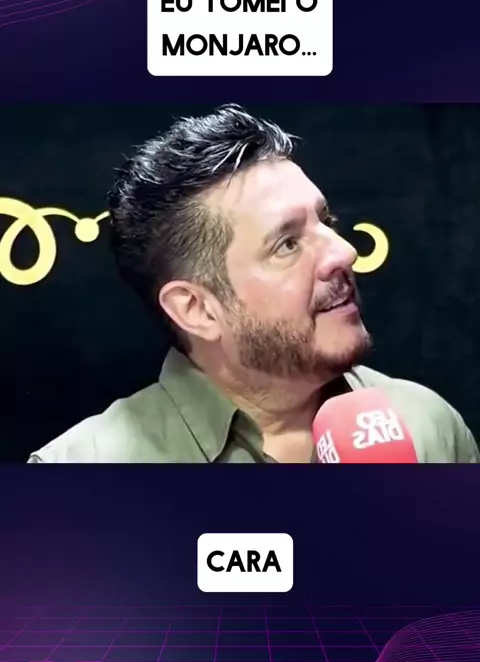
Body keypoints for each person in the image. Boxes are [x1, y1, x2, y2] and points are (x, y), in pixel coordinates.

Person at [28, 105, 479, 464]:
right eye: (287, 244)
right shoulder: (83, 467)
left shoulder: (427, 425)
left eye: (326, 222)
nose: (344, 253)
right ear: (196, 309)